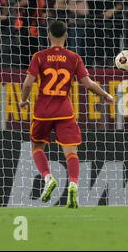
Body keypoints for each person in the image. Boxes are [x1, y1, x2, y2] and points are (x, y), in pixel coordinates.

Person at [18, 20, 114, 208]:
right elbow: (88, 84)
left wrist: (23, 100)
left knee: (37, 148)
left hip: (43, 112)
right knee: (71, 153)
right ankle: (73, 185)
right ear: (66, 36)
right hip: (65, 111)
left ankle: (48, 178)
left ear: (48, 35)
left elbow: (28, 83)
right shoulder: (74, 57)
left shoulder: (39, 56)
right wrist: (106, 95)